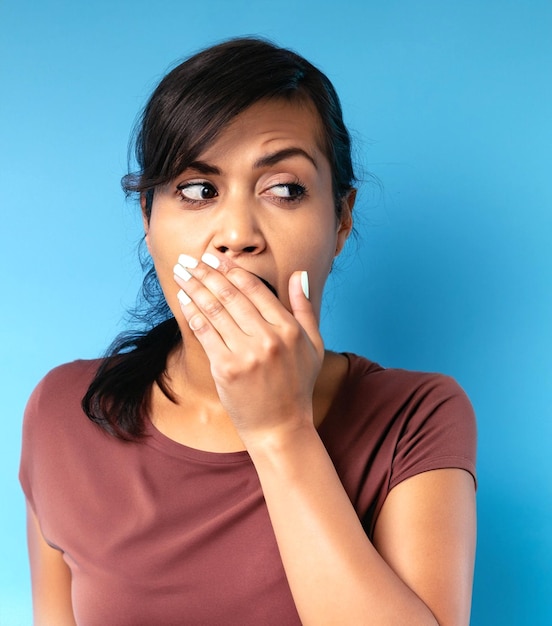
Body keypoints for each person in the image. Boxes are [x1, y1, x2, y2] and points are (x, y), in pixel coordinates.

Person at [20, 37, 476, 625]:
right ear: (148, 219)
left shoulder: (417, 416)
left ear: (340, 221)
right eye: (198, 190)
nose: (237, 233)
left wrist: (280, 430)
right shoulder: (65, 413)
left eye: (284, 189)